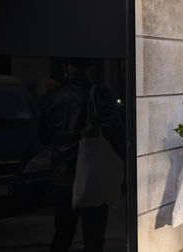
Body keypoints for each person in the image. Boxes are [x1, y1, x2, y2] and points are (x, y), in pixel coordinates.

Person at [38, 58, 125, 252]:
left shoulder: (52, 96)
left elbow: (43, 137)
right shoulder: (98, 94)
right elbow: (116, 132)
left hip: (62, 174)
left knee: (62, 233)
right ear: (88, 67)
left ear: (65, 67)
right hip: (92, 173)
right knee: (93, 237)